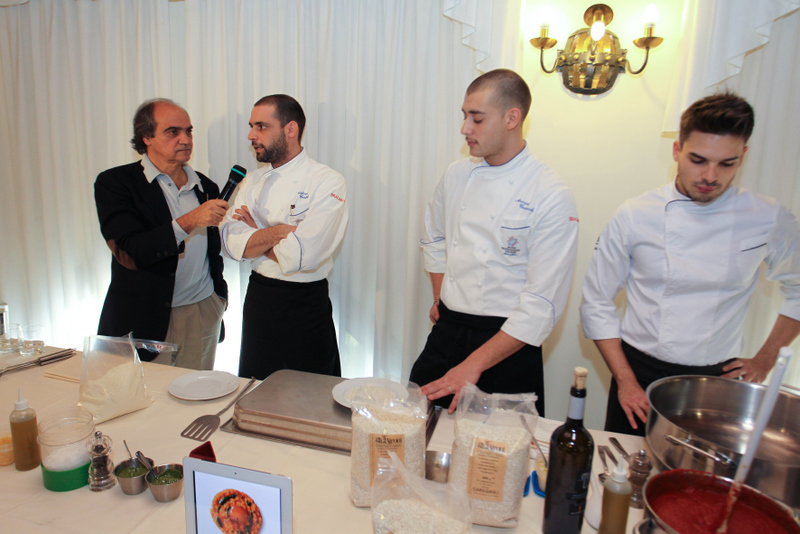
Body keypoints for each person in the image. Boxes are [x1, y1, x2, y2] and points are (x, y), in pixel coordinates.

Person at [580, 92, 800, 436]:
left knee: (697, 482)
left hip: (717, 380)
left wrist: (765, 358)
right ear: (677, 151)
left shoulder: (767, 217)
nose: (710, 175)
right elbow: (595, 302)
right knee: (622, 474)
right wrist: (625, 380)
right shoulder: (635, 214)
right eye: (698, 160)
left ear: (743, 157)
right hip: (638, 372)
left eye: (726, 163)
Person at [410, 69, 579, 415]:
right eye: (464, 116)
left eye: (477, 118)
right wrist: (440, 296)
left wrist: (474, 364)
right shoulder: (456, 174)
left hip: (507, 345)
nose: (465, 128)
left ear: (511, 118)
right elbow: (434, 238)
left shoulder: (550, 193)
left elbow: (540, 306)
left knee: (497, 458)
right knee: (418, 431)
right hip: (448, 331)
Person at [220, 94, 348, 380]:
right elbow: (229, 243)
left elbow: (302, 256)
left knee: (310, 397)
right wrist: (279, 233)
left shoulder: (327, 181)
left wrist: (254, 236)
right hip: (260, 300)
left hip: (306, 306)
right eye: (252, 126)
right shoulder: (251, 180)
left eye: (261, 126)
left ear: (290, 129)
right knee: (256, 391)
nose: (252, 135)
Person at [95, 98, 229, 370]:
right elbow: (131, 250)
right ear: (147, 137)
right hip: (145, 317)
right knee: (144, 405)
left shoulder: (206, 186)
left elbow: (213, 252)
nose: (185, 139)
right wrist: (190, 221)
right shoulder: (116, 183)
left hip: (202, 311)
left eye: (189, 131)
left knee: (195, 397)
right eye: (173, 132)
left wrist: (219, 300)